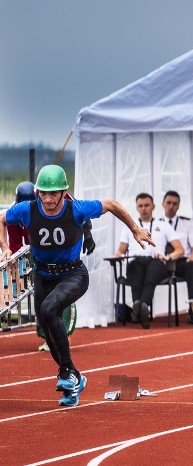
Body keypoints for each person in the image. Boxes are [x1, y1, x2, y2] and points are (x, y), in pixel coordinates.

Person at [0, 164, 154, 407]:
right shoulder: (27, 210)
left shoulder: (77, 209)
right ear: (37, 192)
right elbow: (1, 220)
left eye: (54, 193)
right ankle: (74, 379)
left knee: (49, 310)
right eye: (44, 193)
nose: (48, 199)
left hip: (73, 275)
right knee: (49, 337)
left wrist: (135, 229)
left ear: (64, 193)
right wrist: (5, 247)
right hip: (42, 276)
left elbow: (112, 204)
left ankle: (66, 373)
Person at [115, 193, 184, 329]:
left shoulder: (163, 225)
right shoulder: (130, 226)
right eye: (140, 206)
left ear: (153, 207)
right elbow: (120, 251)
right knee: (135, 270)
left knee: (151, 275)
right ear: (136, 208)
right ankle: (142, 306)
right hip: (135, 259)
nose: (144, 208)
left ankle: (140, 306)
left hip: (156, 260)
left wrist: (168, 257)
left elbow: (180, 250)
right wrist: (117, 255)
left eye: (146, 205)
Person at [159, 190, 193, 324]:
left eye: (174, 204)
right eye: (168, 203)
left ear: (178, 206)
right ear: (163, 204)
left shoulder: (187, 223)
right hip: (162, 263)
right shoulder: (156, 224)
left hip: (182, 262)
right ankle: (140, 310)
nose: (171, 206)